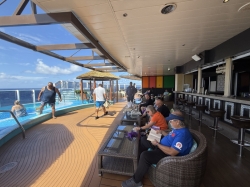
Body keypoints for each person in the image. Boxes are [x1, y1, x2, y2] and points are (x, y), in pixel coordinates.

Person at [122, 112, 193, 187]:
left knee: (145, 156)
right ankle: (139, 164)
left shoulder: (183, 135)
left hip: (167, 155)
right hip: (161, 146)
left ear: (178, 122)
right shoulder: (177, 129)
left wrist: (157, 145)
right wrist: (162, 132)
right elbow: (170, 137)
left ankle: (136, 181)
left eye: (171, 121)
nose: (170, 122)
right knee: (144, 139)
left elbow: (172, 152)